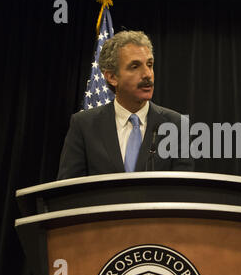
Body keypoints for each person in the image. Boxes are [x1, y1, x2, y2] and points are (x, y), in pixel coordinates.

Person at [57, 30, 193, 180]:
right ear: (112, 77)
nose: (147, 74)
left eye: (150, 64)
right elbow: (68, 192)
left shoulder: (177, 125)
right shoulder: (83, 125)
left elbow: (183, 192)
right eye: (135, 66)